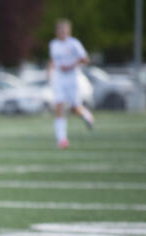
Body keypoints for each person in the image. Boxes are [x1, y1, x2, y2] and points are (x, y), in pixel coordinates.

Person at [48, 19, 94, 149]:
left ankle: (86, 115)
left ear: (68, 31)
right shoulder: (53, 44)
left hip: (72, 78)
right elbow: (52, 60)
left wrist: (70, 66)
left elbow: (85, 59)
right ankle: (62, 139)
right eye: (59, 30)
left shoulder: (74, 43)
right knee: (59, 105)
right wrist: (49, 72)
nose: (61, 32)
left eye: (64, 30)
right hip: (59, 78)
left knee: (75, 109)